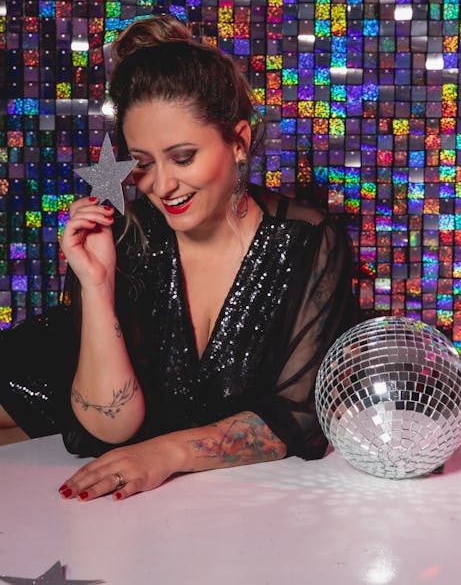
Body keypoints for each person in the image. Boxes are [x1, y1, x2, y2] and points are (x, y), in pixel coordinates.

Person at [0, 26, 355, 502]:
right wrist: (98, 286)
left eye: (183, 157)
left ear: (239, 141)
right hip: (60, 367)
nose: (162, 185)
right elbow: (109, 427)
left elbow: (298, 418)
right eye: (142, 162)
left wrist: (165, 455)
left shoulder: (311, 244)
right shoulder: (118, 237)